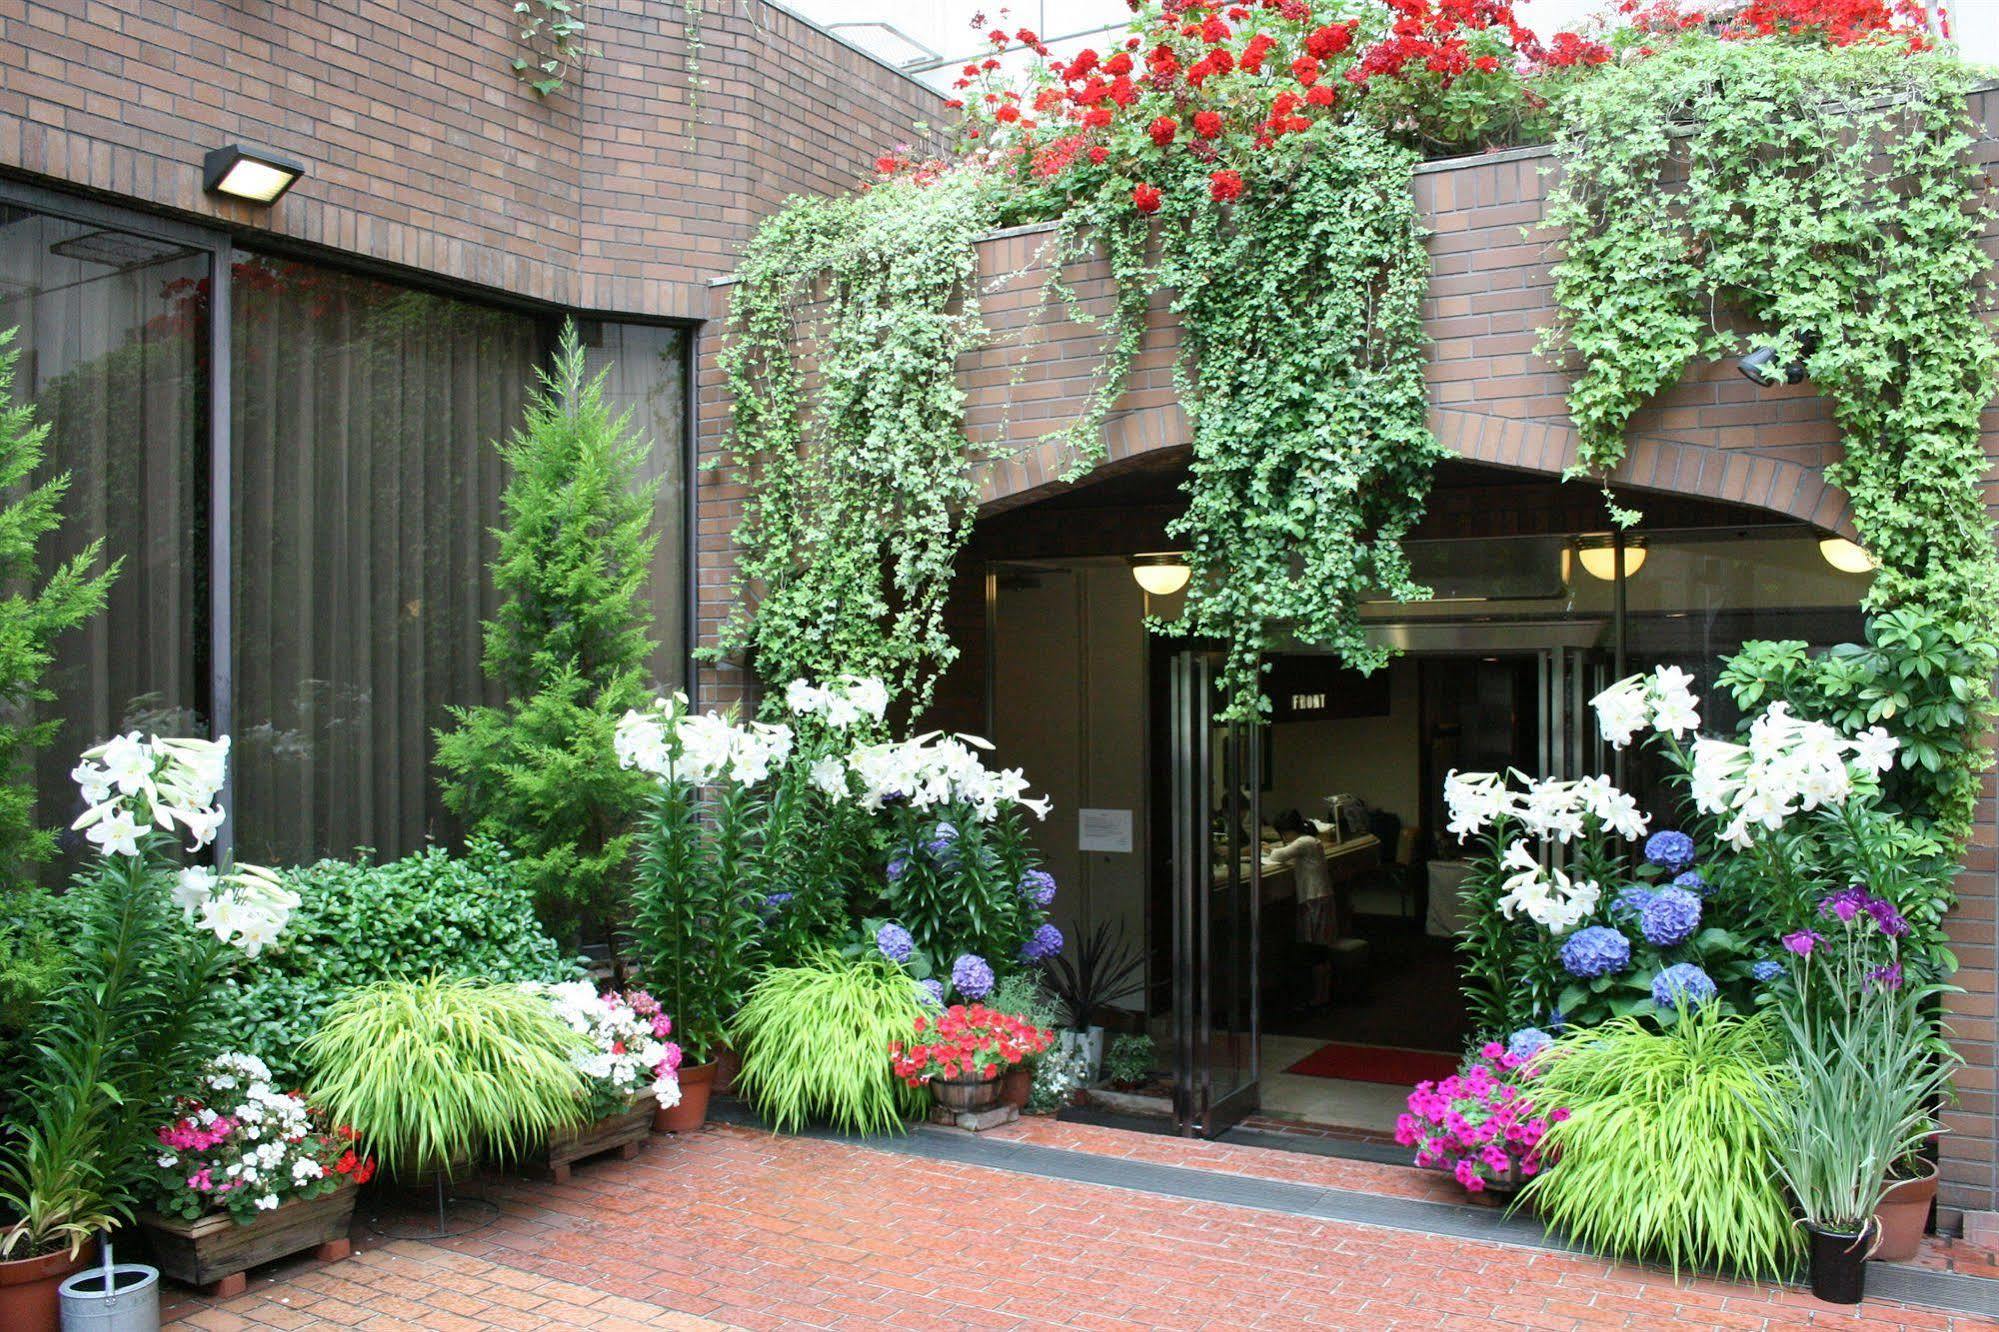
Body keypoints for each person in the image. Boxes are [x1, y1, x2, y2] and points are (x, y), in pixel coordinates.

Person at [1268, 809, 1335, 945]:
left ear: (1290, 831)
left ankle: (1319, 964)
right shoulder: (1310, 840)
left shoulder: (1303, 842)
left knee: (1316, 938)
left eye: (1283, 834)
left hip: (1314, 895)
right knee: (1318, 937)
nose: (1283, 838)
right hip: (1318, 894)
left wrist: (1269, 850)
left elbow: (1278, 856)